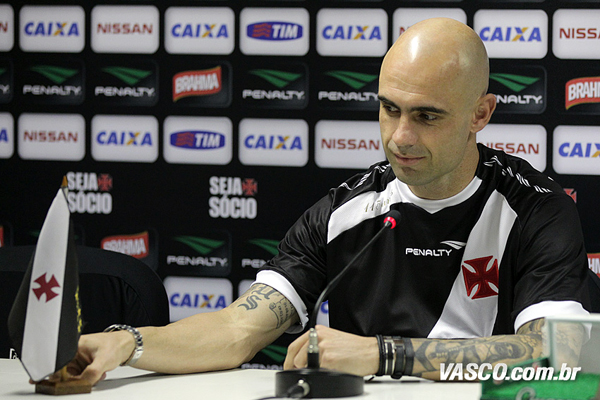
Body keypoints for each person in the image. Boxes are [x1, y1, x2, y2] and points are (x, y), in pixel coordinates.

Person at [64, 18, 590, 384]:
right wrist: (127, 344)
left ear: (481, 114)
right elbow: (237, 328)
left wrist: (385, 355)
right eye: (388, 109)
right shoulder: (347, 209)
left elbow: (555, 355)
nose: (400, 137)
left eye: (427, 116)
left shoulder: (538, 210)